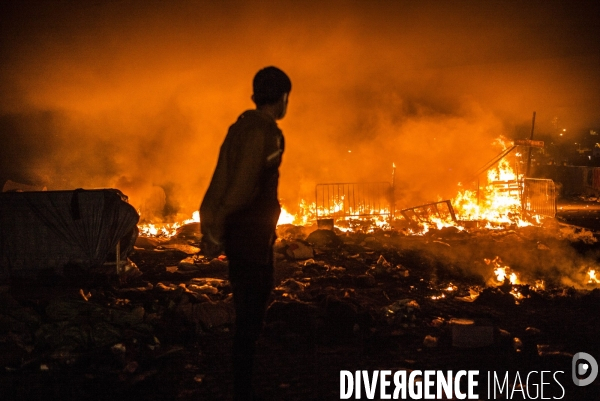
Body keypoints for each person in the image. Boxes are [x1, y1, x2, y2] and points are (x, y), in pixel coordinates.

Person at [199, 66, 291, 400]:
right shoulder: (266, 133)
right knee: (251, 319)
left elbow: (219, 180)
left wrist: (208, 225)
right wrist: (219, 224)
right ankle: (244, 389)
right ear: (281, 98)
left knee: (245, 313)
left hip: (241, 238)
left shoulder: (238, 128)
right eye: (287, 98)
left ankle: (243, 382)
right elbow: (241, 187)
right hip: (252, 239)